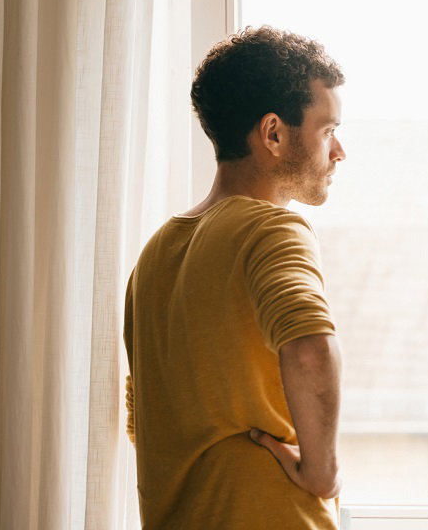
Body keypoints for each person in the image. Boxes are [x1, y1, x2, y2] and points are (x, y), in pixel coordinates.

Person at [124, 26, 347, 529]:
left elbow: (144, 421)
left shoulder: (155, 255)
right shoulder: (272, 230)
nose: (339, 152)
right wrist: (322, 471)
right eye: (328, 130)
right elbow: (310, 346)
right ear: (273, 133)